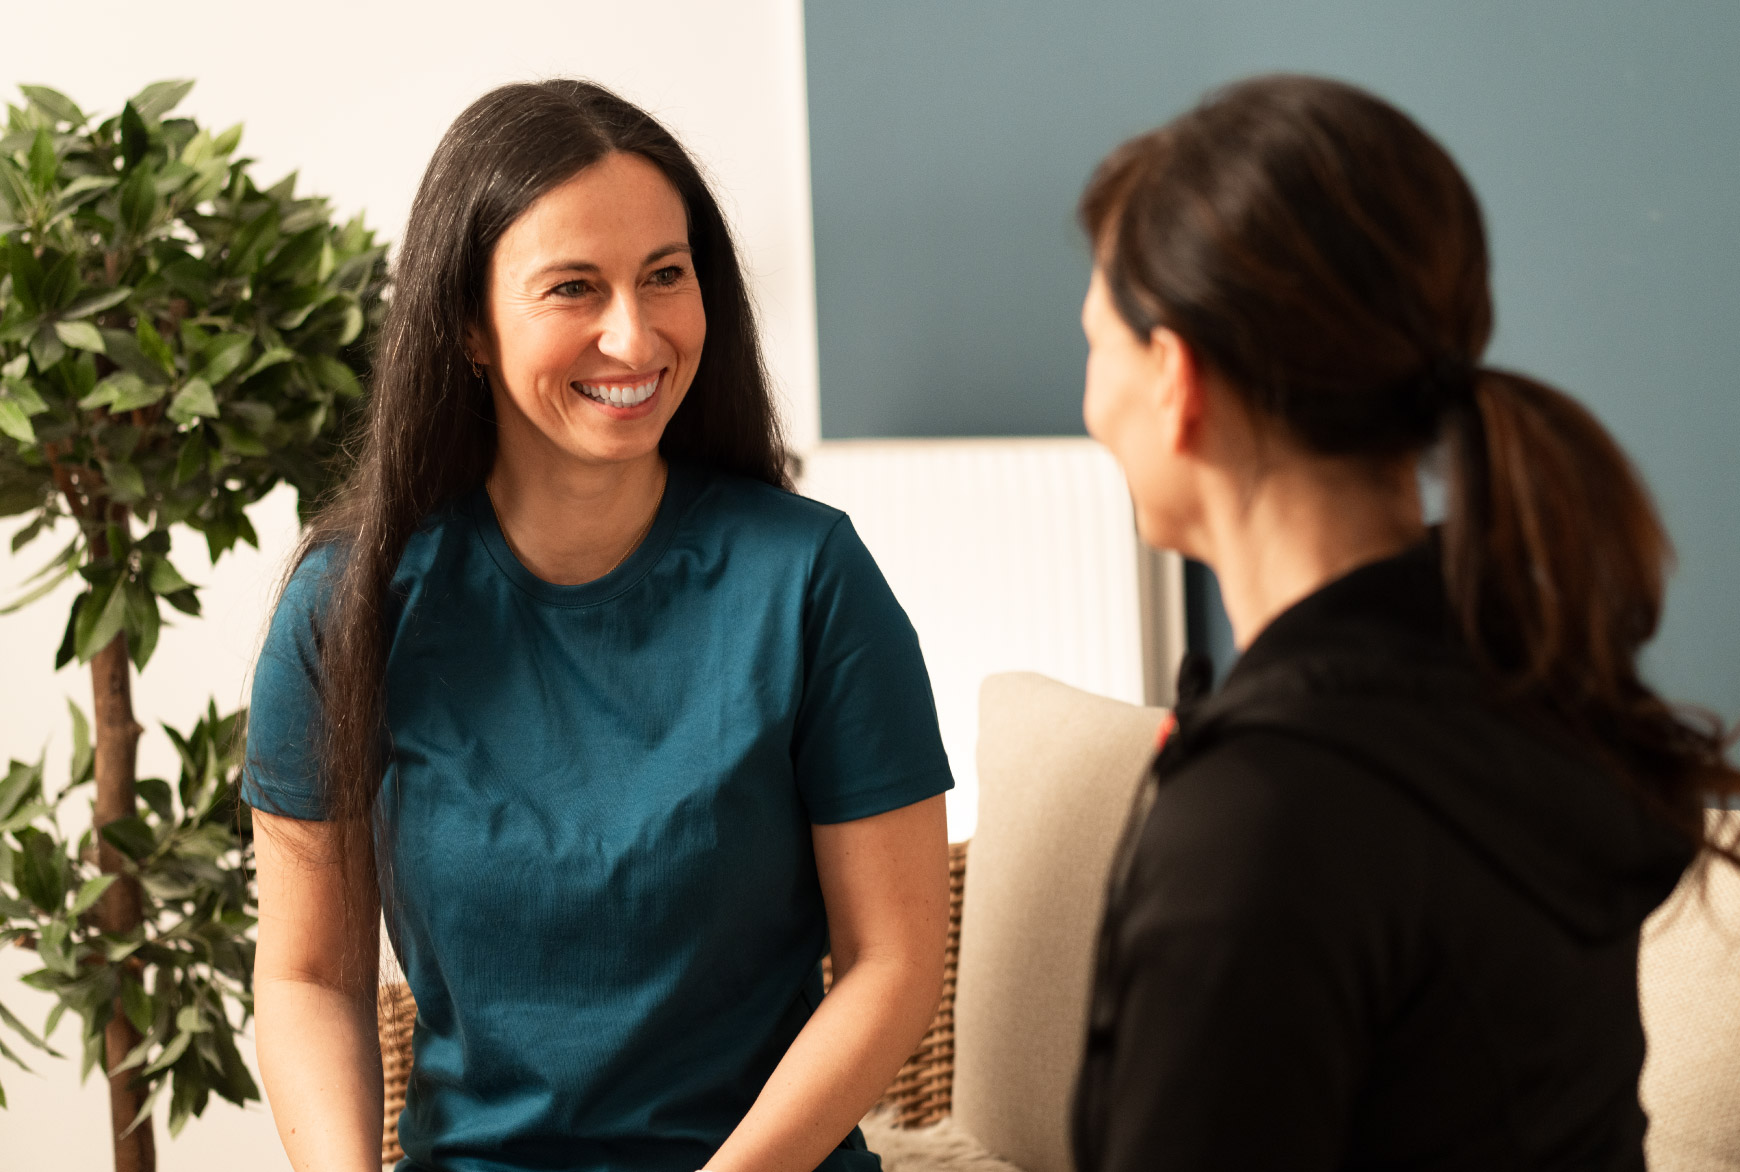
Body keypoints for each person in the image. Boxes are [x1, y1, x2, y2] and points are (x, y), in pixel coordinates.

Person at [243, 80, 952, 1172]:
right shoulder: (347, 609)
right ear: (469, 326)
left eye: (665, 275)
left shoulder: (811, 580)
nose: (636, 332)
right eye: (574, 287)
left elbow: (893, 959)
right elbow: (307, 978)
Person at [1069, 74, 1740, 1171]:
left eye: (1096, 343)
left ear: (1175, 376)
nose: (1089, 396)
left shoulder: (1263, 821)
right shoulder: (1522, 681)